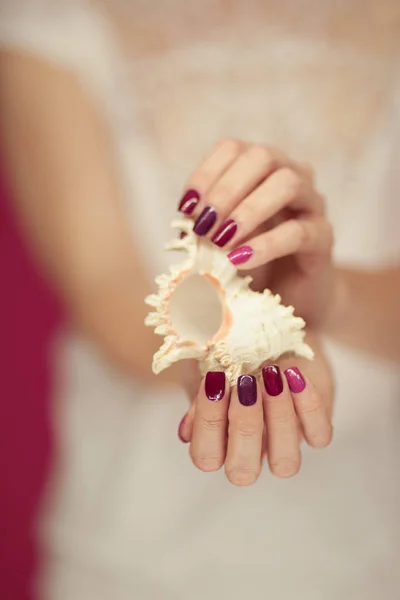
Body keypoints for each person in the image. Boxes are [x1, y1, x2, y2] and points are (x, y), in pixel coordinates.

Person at [0, 1, 399, 599]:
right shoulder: (50, 21)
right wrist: (211, 352)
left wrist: (330, 296)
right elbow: (105, 283)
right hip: (138, 538)